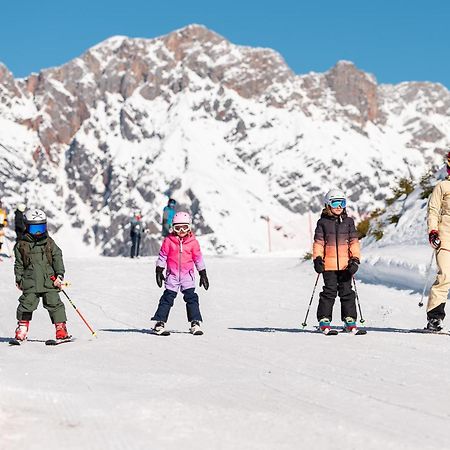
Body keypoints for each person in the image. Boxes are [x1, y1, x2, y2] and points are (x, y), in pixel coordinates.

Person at [13, 209, 70, 342]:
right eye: (34, 229)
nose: (38, 232)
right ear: (27, 227)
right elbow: (19, 264)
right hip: (30, 282)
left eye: (41, 228)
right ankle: (22, 328)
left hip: (49, 281)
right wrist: (19, 279)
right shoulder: (21, 245)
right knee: (26, 304)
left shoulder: (49, 242)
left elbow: (57, 257)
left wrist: (59, 276)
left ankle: (61, 328)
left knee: (55, 303)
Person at [151, 211, 209, 335]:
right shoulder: (168, 241)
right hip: (172, 276)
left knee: (192, 298)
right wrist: (159, 269)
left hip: (187, 276)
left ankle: (195, 322)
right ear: (173, 228)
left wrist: (202, 273)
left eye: (185, 227)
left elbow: (198, 258)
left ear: (189, 227)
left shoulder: (193, 242)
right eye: (178, 228)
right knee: (167, 298)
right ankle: (159, 323)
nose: (181, 230)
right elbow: (162, 256)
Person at [312, 189, 361, 334]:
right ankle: (324, 319)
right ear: (328, 204)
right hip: (328, 266)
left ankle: (349, 319)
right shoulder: (323, 223)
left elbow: (354, 243)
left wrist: (355, 259)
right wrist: (318, 259)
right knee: (329, 292)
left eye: (342, 203)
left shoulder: (349, 222)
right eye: (335, 203)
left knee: (347, 292)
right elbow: (318, 243)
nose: (339, 206)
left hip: (346, 265)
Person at [426, 151, 450, 331]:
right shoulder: (442, 187)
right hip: (445, 238)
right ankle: (435, 317)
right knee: (445, 276)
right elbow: (433, 210)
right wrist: (433, 231)